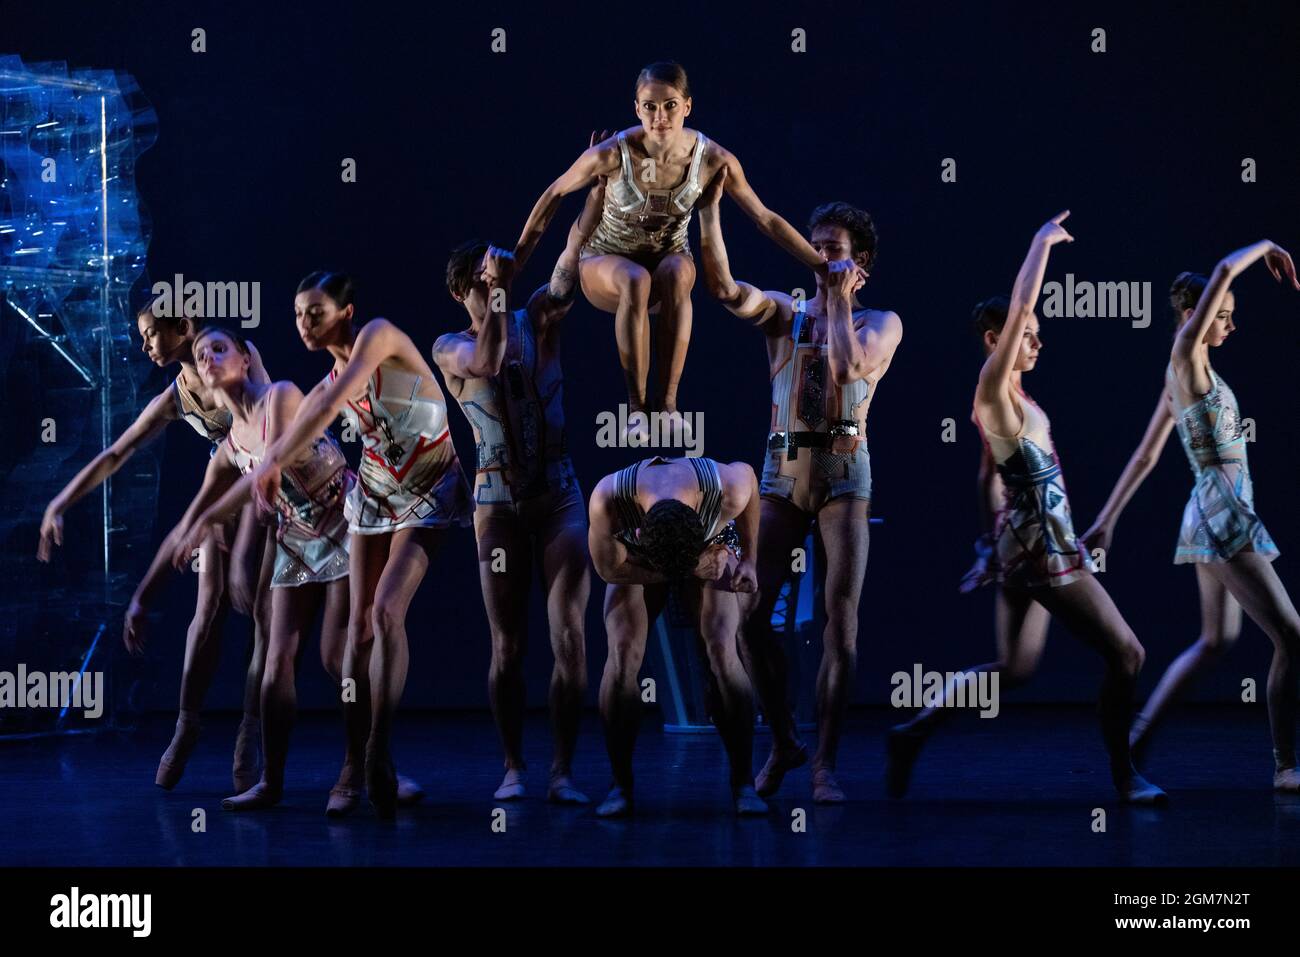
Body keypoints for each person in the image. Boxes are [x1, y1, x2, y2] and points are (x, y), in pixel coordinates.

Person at [885, 212, 1166, 805]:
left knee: (1013, 670)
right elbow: (1019, 307)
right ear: (996, 340)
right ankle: (1125, 774)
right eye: (1027, 333)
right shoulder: (993, 390)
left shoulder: (1014, 403)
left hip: (1021, 546)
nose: (1037, 341)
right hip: (1043, 551)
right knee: (1128, 652)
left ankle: (912, 732)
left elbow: (989, 478)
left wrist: (991, 543)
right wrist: (1039, 245)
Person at [697, 166, 902, 803]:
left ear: (860, 259)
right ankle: (785, 739)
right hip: (782, 473)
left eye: (833, 250)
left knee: (841, 626)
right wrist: (708, 211)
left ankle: (825, 767)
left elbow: (846, 366)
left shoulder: (882, 322)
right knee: (751, 619)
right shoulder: (786, 314)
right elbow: (729, 289)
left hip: (844, 474)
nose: (819, 259)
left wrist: (839, 300)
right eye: (814, 248)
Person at [510, 61, 833, 440]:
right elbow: (554, 193)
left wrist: (823, 266)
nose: (659, 116)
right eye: (649, 106)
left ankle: (667, 406)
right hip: (605, 263)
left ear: (687, 106)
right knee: (635, 279)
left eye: (670, 105)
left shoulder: (712, 158)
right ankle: (636, 410)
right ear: (636, 108)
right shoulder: (613, 154)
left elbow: (764, 218)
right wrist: (516, 260)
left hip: (667, 263)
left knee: (676, 273)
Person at [250, 272, 473, 819]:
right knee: (359, 629)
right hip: (374, 495)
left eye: (316, 312)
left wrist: (275, 462)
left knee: (388, 611)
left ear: (346, 312)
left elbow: (334, 402)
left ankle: (378, 746)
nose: (305, 323)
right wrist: (267, 465)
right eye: (299, 314)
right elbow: (306, 418)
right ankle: (354, 762)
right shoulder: (328, 381)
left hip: (429, 488)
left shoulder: (379, 336)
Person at [1083, 247, 1300, 791]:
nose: (1230, 324)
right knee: (1293, 638)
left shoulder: (1181, 377)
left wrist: (1107, 518)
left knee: (1215, 641)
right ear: (1193, 317)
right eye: (1220, 315)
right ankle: (1285, 765)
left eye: (1228, 315)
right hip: (1222, 513)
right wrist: (1269, 246)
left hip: (1213, 509)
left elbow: (1145, 456)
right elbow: (1226, 269)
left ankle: (1136, 737)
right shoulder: (1188, 357)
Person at [38, 303, 274, 792]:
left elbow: (269, 434)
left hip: (269, 485)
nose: (145, 346)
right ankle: (187, 725)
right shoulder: (178, 396)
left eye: (150, 335)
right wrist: (59, 501)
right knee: (207, 609)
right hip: (223, 483)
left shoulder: (232, 354)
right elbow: (117, 451)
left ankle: (250, 730)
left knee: (261, 612)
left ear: (182, 327)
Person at [140, 325, 355, 809]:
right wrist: (142, 597)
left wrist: (238, 553)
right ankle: (269, 781)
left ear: (245, 358)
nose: (210, 359)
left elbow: (268, 473)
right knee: (276, 660)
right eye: (203, 353)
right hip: (297, 538)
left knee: (333, 657)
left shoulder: (278, 397)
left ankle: (362, 764)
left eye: (220, 349)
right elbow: (191, 517)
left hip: (341, 521)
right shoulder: (226, 448)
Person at [435, 231, 594, 803]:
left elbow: (569, 265)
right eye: (481, 281)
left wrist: (595, 188)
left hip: (558, 494)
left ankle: (562, 771)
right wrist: (498, 295)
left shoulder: (537, 318)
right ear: (463, 290)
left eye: (496, 278)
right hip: (497, 505)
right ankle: (512, 766)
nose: (493, 285)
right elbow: (489, 358)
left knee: (570, 637)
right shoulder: (450, 345)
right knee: (508, 646)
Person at [587, 453, 766, 817]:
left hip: (710, 548)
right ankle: (619, 784)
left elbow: (749, 473)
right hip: (637, 558)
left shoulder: (727, 487)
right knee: (622, 654)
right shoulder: (609, 497)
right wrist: (667, 571)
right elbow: (609, 570)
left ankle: (743, 782)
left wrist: (748, 559)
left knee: (721, 649)